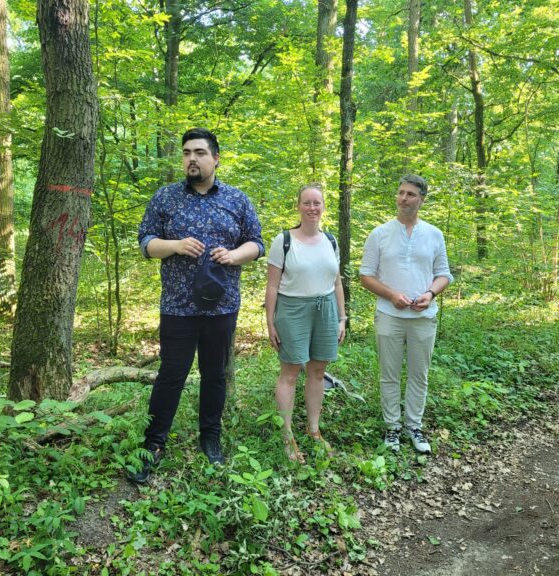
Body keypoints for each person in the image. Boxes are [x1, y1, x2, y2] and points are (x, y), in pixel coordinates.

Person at [130, 128, 264, 484]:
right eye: (187, 152)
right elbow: (145, 242)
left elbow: (257, 243)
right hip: (177, 306)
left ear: (215, 158)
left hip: (222, 307)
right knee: (171, 376)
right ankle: (153, 444)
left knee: (215, 375)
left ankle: (211, 438)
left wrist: (234, 255)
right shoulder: (166, 198)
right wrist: (173, 245)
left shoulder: (237, 200)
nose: (192, 158)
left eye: (200, 153)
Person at [359, 174, 453, 454]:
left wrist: (431, 294)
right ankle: (392, 428)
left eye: (411, 194)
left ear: (422, 200)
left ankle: (414, 426)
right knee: (389, 374)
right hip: (389, 315)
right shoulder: (380, 234)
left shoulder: (434, 234)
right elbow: (366, 275)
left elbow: (444, 274)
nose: (403, 199)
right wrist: (391, 295)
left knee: (419, 374)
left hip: (423, 317)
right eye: (401, 193)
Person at [265, 184, 346, 463]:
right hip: (292, 309)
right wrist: (270, 322)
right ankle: (287, 436)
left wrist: (341, 317)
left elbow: (337, 282)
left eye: (317, 203)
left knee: (318, 370)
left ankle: (314, 430)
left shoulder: (331, 241)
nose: (312, 208)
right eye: (307, 203)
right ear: (298, 206)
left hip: (325, 309)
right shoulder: (284, 240)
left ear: (323, 207)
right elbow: (273, 286)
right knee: (290, 372)